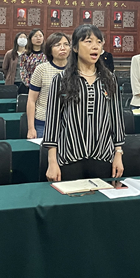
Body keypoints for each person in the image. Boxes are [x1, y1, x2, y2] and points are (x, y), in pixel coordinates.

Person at [44, 25, 125, 181]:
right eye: (88, 41)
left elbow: (116, 118)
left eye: (99, 42)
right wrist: (52, 161)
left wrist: (118, 153)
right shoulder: (60, 80)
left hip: (103, 157)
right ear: (75, 47)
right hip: (70, 157)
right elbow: (53, 122)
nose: (95, 46)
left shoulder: (109, 79)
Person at [27, 33, 71, 138]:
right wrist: (31, 128)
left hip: (70, 123)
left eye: (66, 44)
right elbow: (31, 100)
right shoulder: (41, 69)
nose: (63, 48)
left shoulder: (76, 70)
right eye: (57, 45)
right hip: (44, 122)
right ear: (49, 49)